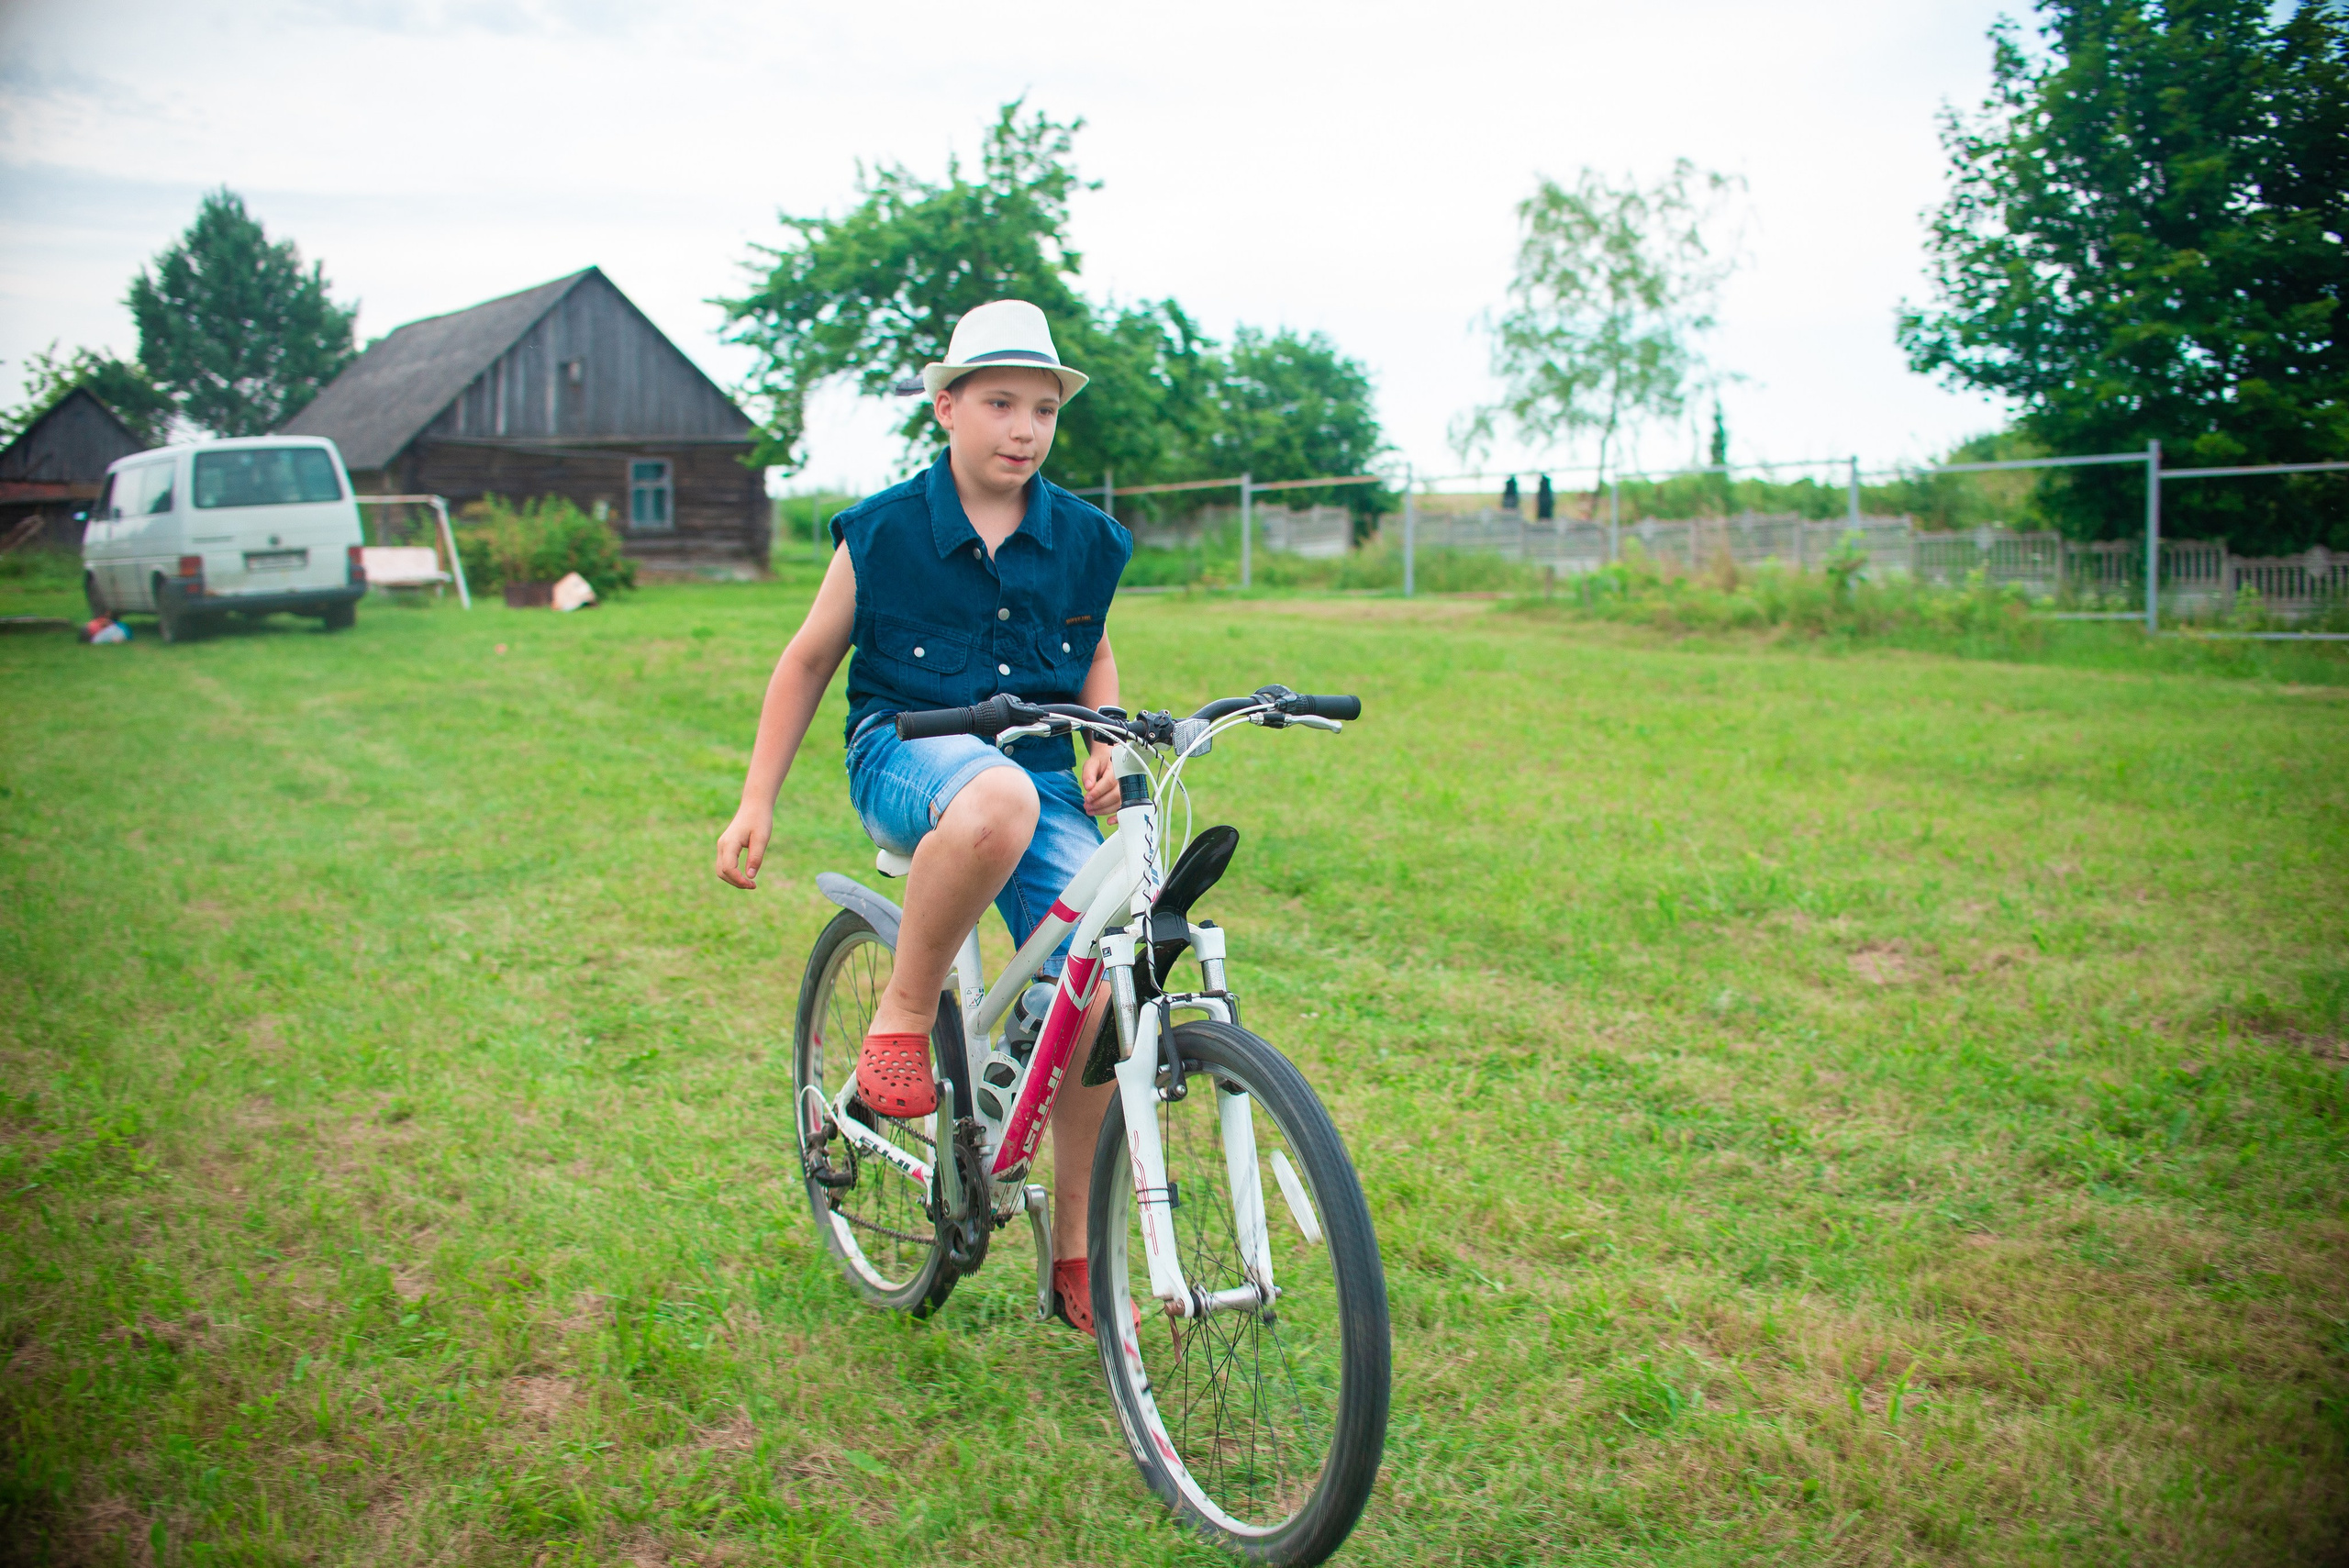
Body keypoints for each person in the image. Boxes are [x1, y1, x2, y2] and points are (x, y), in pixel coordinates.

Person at [714, 299, 1132, 1332]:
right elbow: (809, 657)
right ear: (947, 407)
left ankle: (1074, 1245)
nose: (1022, 428)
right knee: (986, 798)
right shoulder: (888, 528)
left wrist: (1105, 738)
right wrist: (755, 799)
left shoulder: (1083, 536)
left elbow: (1091, 659)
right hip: (905, 749)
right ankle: (901, 1020)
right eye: (998, 402)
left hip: (1034, 768)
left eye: (1041, 408)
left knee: (1108, 960)